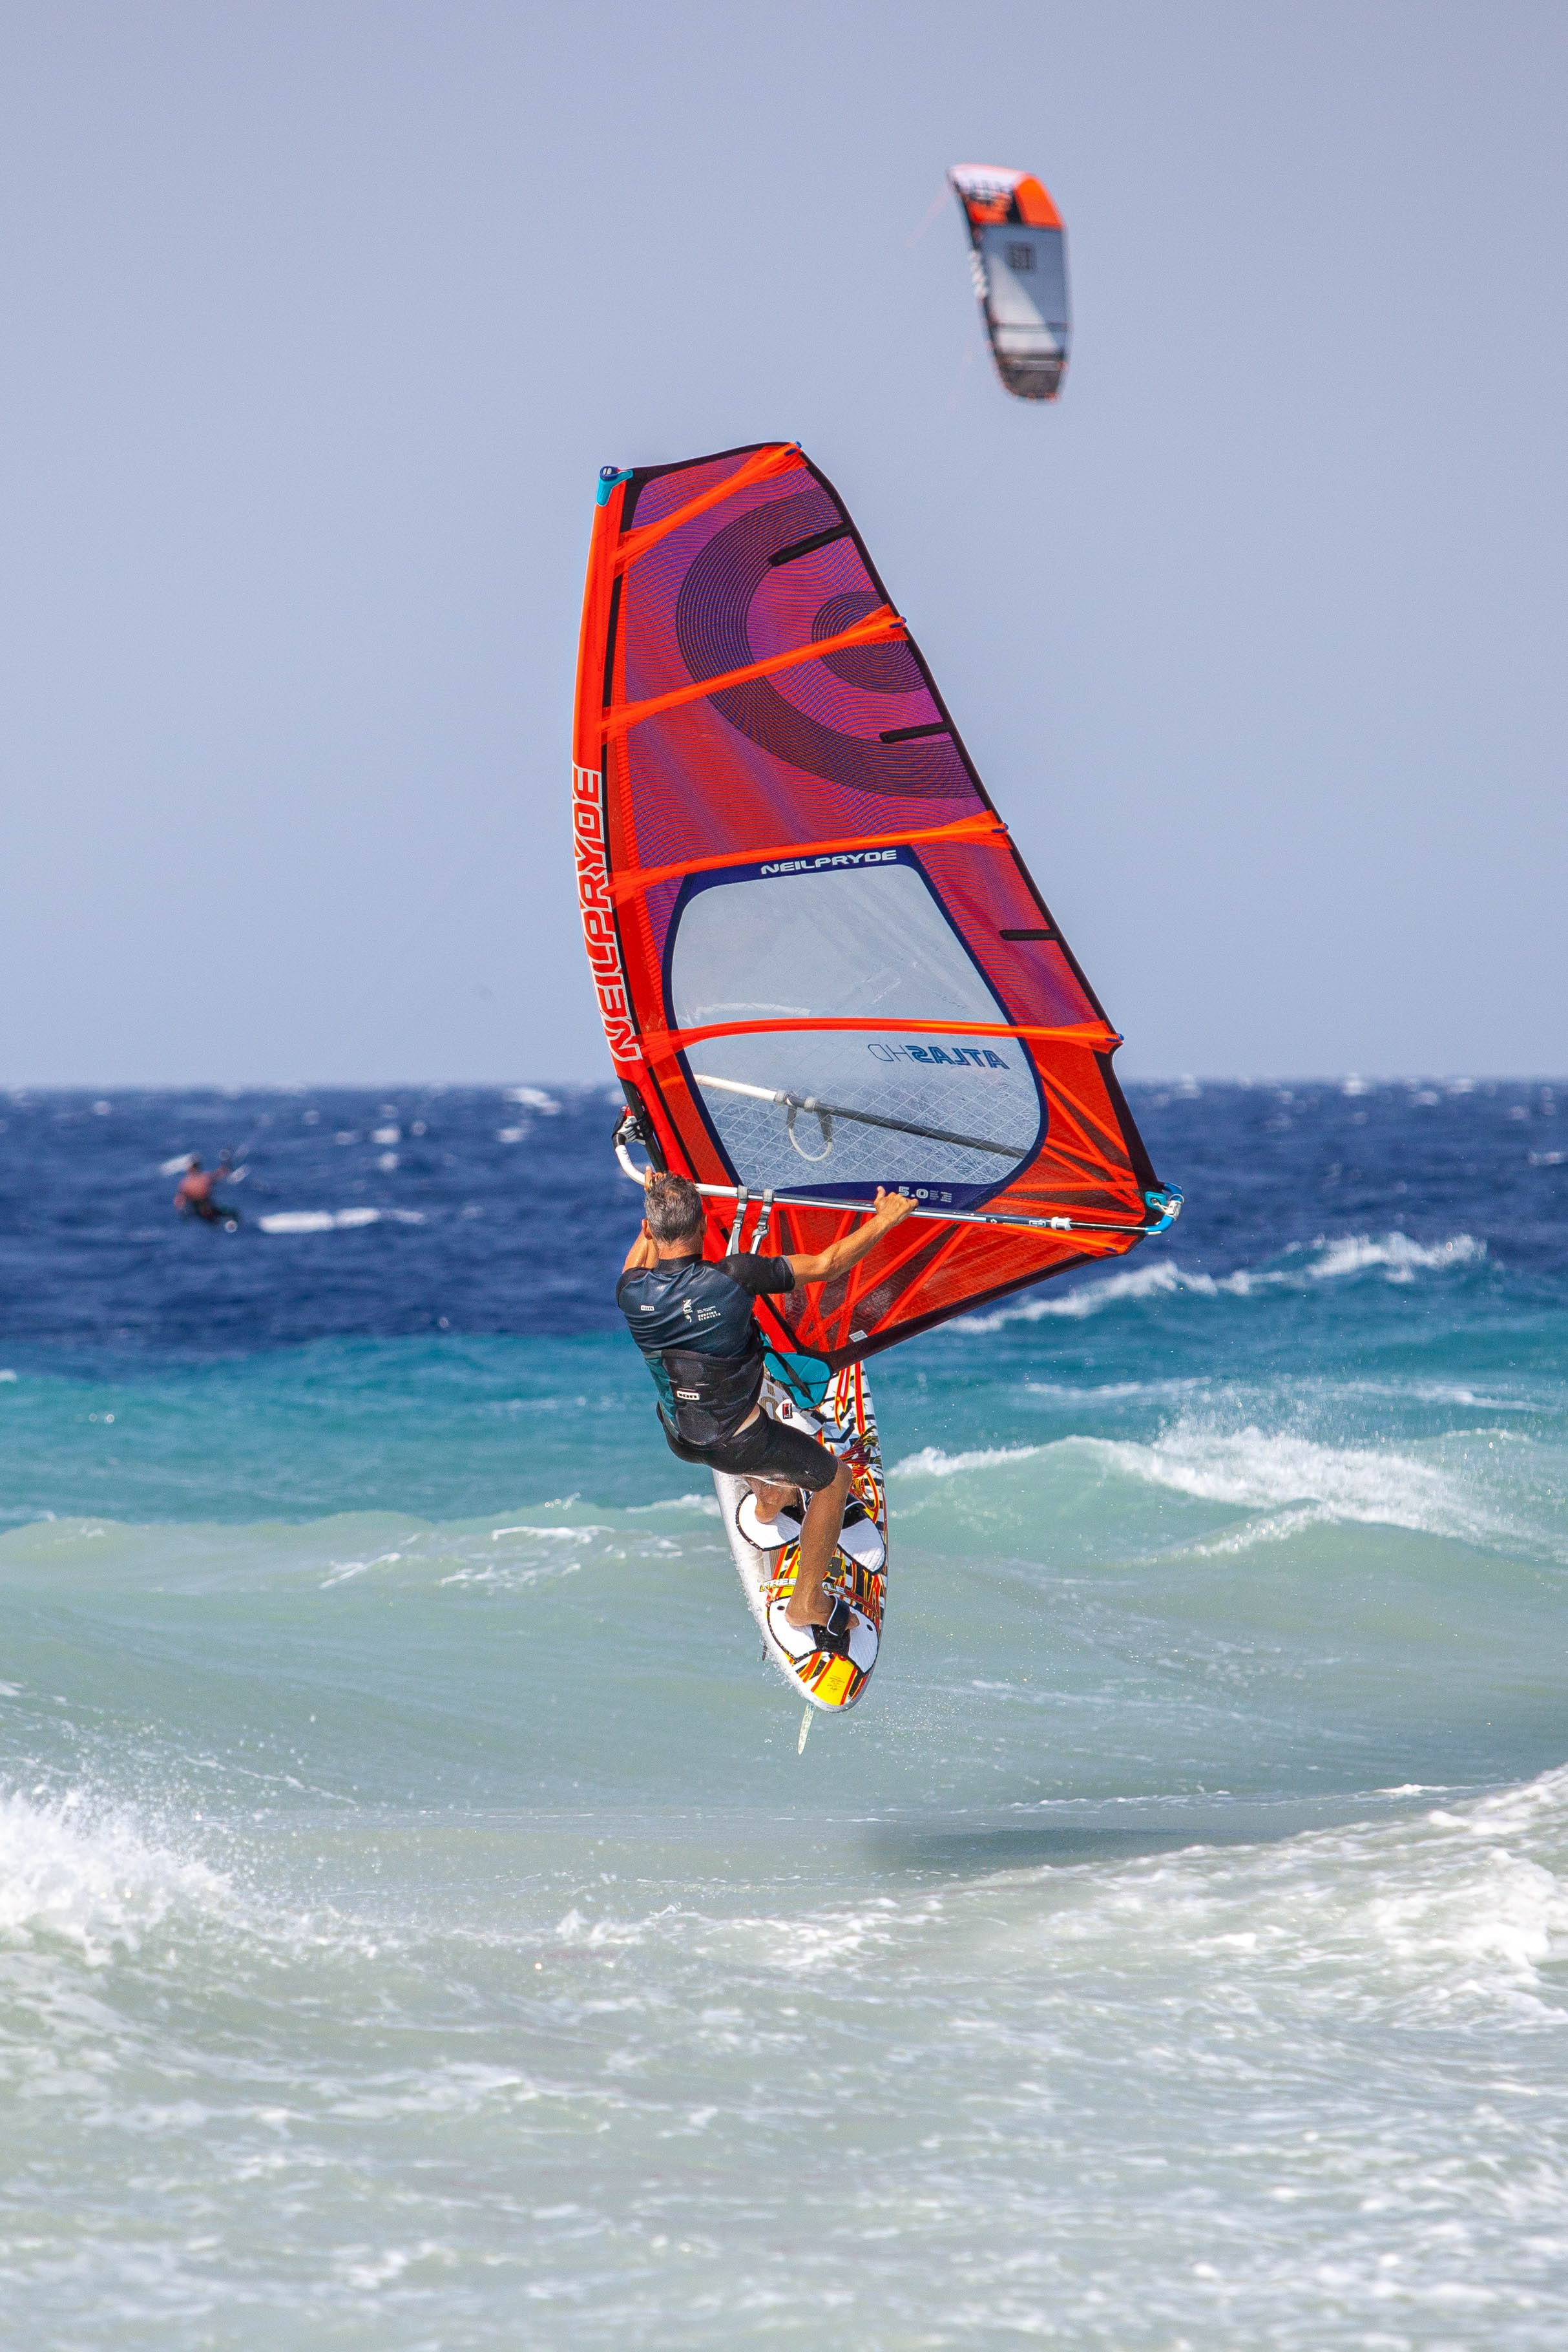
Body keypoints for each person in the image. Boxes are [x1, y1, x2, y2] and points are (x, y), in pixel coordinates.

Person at [618, 1170, 914, 1652]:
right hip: (737, 1439)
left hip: (679, 1434)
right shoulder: (734, 1276)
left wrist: (653, 1201)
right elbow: (826, 1264)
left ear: (650, 1230)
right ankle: (807, 1604)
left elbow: (644, 1250)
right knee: (832, 1479)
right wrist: (886, 1219)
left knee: (746, 1430)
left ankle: (771, 1502)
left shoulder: (630, 1290)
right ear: (701, 1228)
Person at [173, 1153, 239, 1226]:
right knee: (231, 1215)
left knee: (227, 1216)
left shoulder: (187, 1183)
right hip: (205, 1211)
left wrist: (183, 1210)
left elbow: (179, 1202)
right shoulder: (201, 1180)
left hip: (201, 1212)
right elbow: (179, 1200)